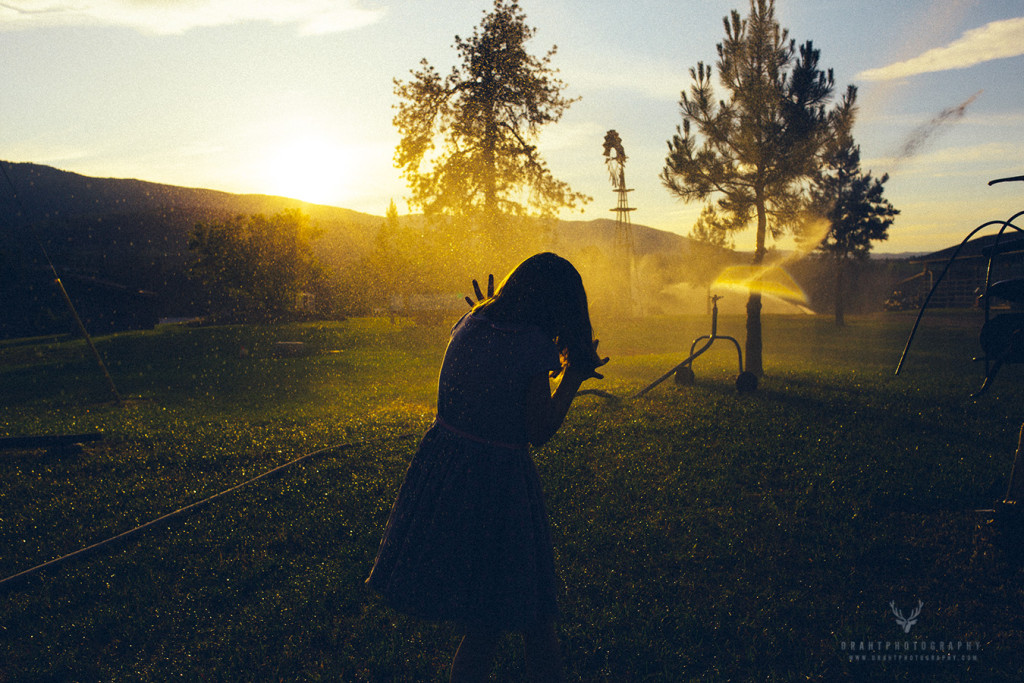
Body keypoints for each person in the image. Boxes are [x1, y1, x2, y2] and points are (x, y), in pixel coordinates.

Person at [366, 252, 608, 682]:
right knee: (528, 616)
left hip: (448, 476)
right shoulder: (533, 346)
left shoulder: (472, 322)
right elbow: (540, 430)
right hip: (500, 490)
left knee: (487, 620)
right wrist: (574, 375)